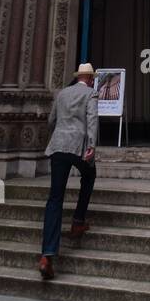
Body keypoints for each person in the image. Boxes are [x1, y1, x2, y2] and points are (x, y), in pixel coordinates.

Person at [39, 62, 99, 280]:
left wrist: (57, 136)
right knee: (89, 175)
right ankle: (78, 221)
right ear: (90, 79)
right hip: (77, 146)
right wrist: (91, 146)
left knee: (55, 198)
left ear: (77, 77)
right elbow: (92, 120)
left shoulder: (62, 93)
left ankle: (47, 255)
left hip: (58, 145)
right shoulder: (91, 94)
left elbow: (51, 120)